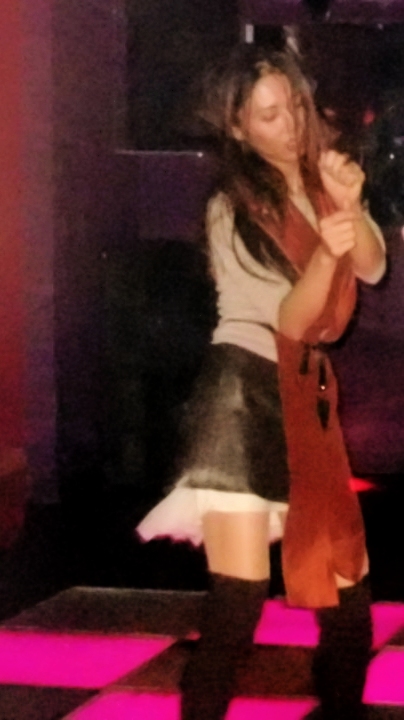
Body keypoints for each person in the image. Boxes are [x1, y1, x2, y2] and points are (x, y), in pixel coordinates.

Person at [137, 44, 386, 720]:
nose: (290, 126)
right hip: (242, 398)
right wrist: (328, 247)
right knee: (239, 599)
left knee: (349, 602)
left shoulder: (322, 179)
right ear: (238, 128)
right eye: (269, 116)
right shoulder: (231, 207)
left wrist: (348, 205)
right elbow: (291, 321)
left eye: (294, 108)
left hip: (308, 397)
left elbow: (372, 267)